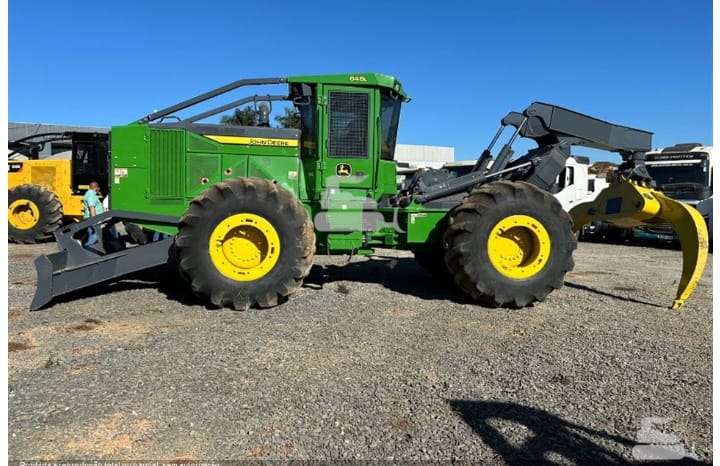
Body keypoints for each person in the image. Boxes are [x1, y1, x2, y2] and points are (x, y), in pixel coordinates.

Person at [82, 181, 104, 246]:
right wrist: (95, 220)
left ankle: (88, 247)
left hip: (89, 218)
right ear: (96, 188)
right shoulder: (91, 195)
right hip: (93, 218)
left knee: (91, 234)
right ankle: (87, 247)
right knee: (97, 234)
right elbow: (92, 207)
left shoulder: (89, 193)